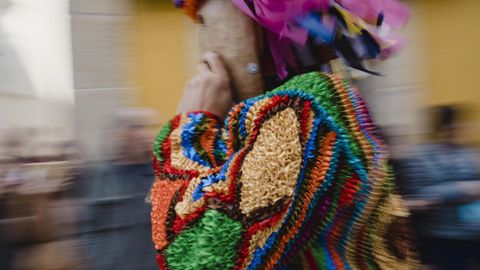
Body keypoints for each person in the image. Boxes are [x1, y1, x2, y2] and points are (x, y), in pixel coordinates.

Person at [150, 0, 418, 269]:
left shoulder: (304, 107)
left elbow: (197, 260)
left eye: (210, 21)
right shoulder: (295, 109)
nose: (207, 47)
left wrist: (188, 128)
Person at [398, 106, 480, 270]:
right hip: (438, 235)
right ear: (440, 128)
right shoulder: (420, 157)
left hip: (469, 233)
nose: (455, 131)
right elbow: (420, 194)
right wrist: (460, 189)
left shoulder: (466, 154)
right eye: (451, 127)